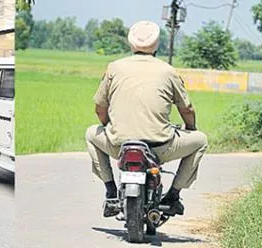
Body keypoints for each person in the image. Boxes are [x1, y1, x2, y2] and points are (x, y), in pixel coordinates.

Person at [85, 21, 208, 218]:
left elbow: (100, 109)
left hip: (119, 145)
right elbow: (187, 109)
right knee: (200, 140)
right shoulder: (168, 71)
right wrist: (191, 129)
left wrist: (109, 127)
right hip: (159, 147)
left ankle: (110, 191)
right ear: (157, 45)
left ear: (131, 43)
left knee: (91, 134)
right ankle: (173, 196)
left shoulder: (114, 68)